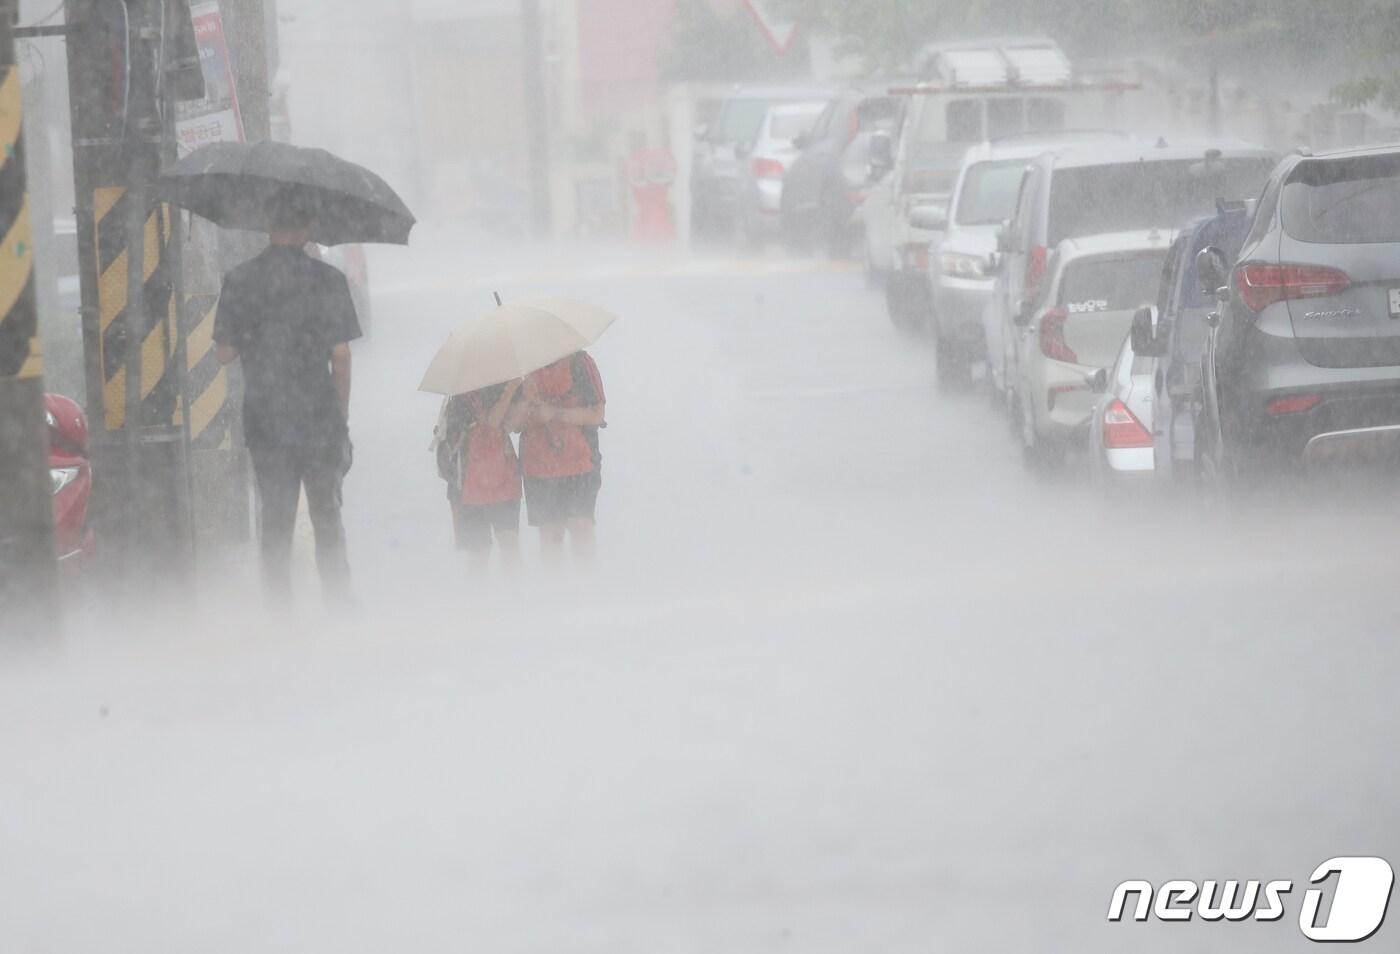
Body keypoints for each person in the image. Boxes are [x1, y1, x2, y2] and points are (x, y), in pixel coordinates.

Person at [214, 200, 361, 605]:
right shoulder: (328, 280)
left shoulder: (240, 280)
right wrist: (340, 415)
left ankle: (279, 612)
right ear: (308, 227)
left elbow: (224, 353)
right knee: (326, 516)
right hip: (319, 418)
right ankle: (338, 602)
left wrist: (257, 334)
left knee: (276, 521)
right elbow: (342, 356)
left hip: (266, 420)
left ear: (267, 225)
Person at [519, 351, 606, 565]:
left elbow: (597, 413)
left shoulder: (580, 362)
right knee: (551, 536)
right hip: (539, 465)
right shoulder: (522, 369)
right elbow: (513, 423)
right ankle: (555, 594)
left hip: (580, 462)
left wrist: (555, 414)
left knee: (581, 528)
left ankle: (586, 591)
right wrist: (525, 401)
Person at [433, 380, 525, 572]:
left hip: (491, 478)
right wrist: (511, 390)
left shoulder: (495, 383)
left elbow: (511, 425)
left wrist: (525, 397)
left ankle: (500, 598)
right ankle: (494, 598)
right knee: (486, 550)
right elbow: (491, 423)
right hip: (475, 480)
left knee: (495, 548)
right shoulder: (462, 396)